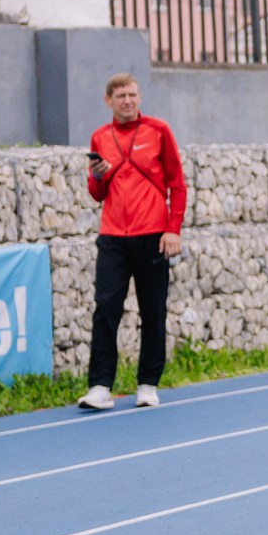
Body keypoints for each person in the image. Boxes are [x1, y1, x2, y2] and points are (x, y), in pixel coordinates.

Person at [80, 73, 186, 412]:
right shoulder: (100, 136)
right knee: (106, 308)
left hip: (153, 236)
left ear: (139, 98)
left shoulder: (158, 130)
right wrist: (97, 176)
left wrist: (173, 229)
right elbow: (97, 192)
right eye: (121, 95)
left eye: (133, 95)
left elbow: (177, 184)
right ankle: (99, 386)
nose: (128, 101)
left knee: (153, 310)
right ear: (108, 100)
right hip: (113, 236)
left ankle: (147, 383)